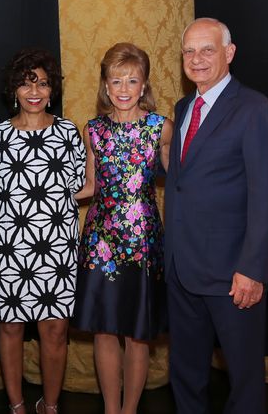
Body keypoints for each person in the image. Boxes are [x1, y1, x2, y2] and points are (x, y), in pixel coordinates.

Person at [165, 18, 268, 413]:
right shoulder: (184, 107)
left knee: (245, 384)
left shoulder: (255, 110)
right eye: (189, 51)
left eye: (207, 49)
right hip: (183, 271)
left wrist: (253, 268)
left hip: (234, 276)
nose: (196, 59)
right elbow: (183, 183)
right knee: (185, 376)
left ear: (229, 53)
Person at [72, 42, 173, 414]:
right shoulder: (94, 130)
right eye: (117, 80)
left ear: (144, 84)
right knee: (103, 328)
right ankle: (111, 411)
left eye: (133, 80)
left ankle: (130, 411)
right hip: (101, 241)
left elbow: (182, 180)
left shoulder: (160, 128)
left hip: (145, 241)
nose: (125, 88)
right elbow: (91, 185)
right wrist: (50, 196)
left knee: (137, 332)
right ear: (106, 85)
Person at [0, 48, 85, 414]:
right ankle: (16, 406)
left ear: (51, 90)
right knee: (9, 329)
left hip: (57, 252)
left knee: (55, 332)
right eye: (26, 83)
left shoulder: (68, 133)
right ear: (14, 89)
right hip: (8, 250)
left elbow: (81, 186)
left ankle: (50, 405)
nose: (34, 91)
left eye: (42, 84)